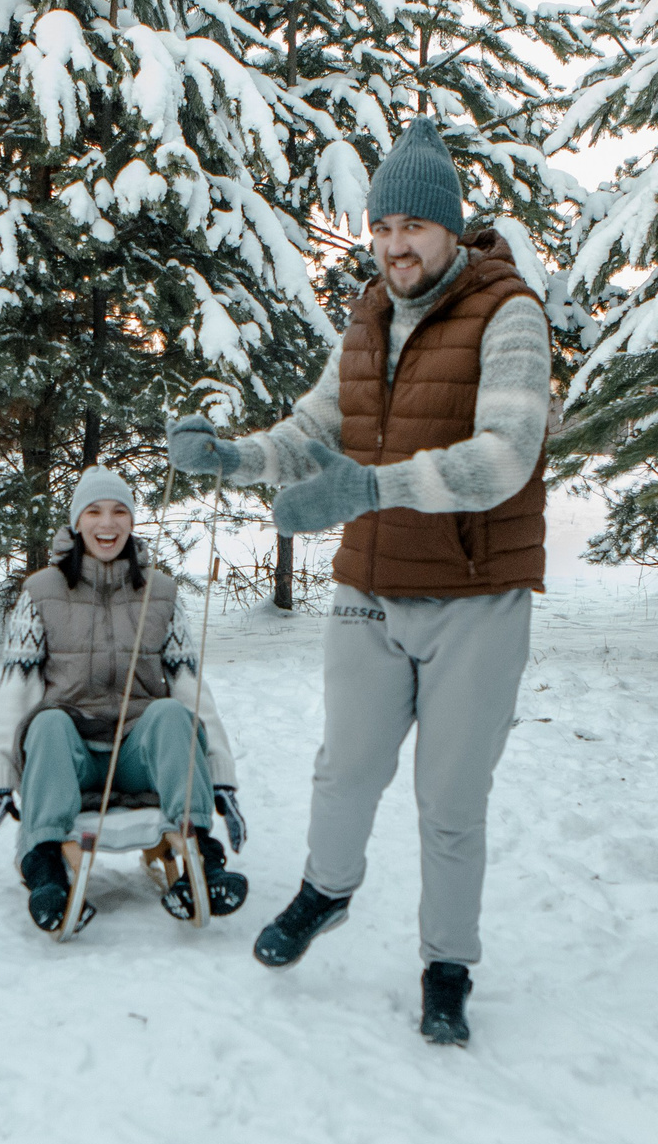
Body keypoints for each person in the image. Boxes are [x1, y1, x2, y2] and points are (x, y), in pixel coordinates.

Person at [168, 117, 550, 1046]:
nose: (393, 246)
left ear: (450, 229)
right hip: (370, 591)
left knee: (449, 802)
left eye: (412, 227)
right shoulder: (368, 320)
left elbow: (507, 455)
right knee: (344, 770)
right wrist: (232, 458)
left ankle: (447, 965)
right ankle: (324, 892)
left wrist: (373, 486)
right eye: (381, 228)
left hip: (472, 600)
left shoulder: (511, 316)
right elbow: (310, 435)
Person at [0, 467, 249, 936]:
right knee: (48, 722)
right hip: (70, 759)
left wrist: (221, 777)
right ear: (77, 521)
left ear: (132, 521)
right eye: (95, 511)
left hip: (140, 753)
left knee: (169, 712)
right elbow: (14, 688)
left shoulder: (160, 593)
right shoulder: (42, 591)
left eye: (120, 511)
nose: (108, 523)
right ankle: (44, 872)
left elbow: (190, 689)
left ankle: (204, 858)